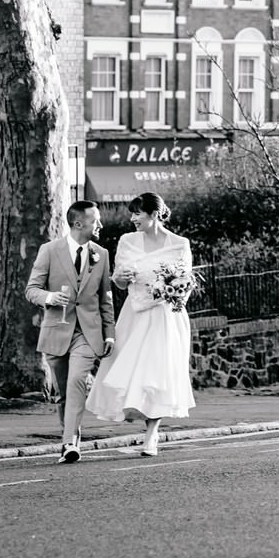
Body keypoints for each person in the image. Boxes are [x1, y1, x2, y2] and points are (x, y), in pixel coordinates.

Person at [86, 192, 197, 456]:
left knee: (157, 374)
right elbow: (120, 281)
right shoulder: (127, 241)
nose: (133, 219)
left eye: (138, 213)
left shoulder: (179, 244)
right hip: (135, 315)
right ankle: (138, 418)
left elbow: (186, 283)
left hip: (165, 317)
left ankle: (151, 435)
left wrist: (171, 291)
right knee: (131, 372)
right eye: (132, 214)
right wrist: (120, 277)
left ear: (154, 214)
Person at [24, 199, 115, 465]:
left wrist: (109, 334)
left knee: (77, 381)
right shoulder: (49, 251)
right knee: (64, 392)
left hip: (88, 334)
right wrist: (49, 297)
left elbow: (105, 298)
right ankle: (70, 433)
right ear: (78, 223)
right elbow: (31, 289)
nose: (99, 224)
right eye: (95, 220)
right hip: (57, 331)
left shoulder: (102, 254)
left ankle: (70, 442)